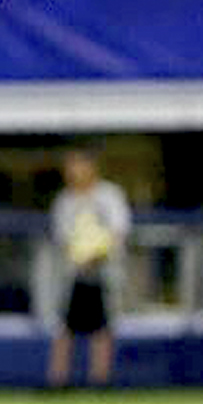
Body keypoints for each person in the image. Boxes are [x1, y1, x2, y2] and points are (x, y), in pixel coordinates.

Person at [46, 147, 130, 388]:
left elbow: (118, 231)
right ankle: (58, 382)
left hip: (105, 273)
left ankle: (100, 381)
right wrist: (79, 255)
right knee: (65, 328)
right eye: (69, 167)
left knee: (102, 328)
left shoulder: (109, 195)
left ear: (91, 167)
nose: (73, 172)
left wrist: (97, 252)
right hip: (74, 274)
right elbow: (62, 237)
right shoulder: (65, 200)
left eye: (78, 165)